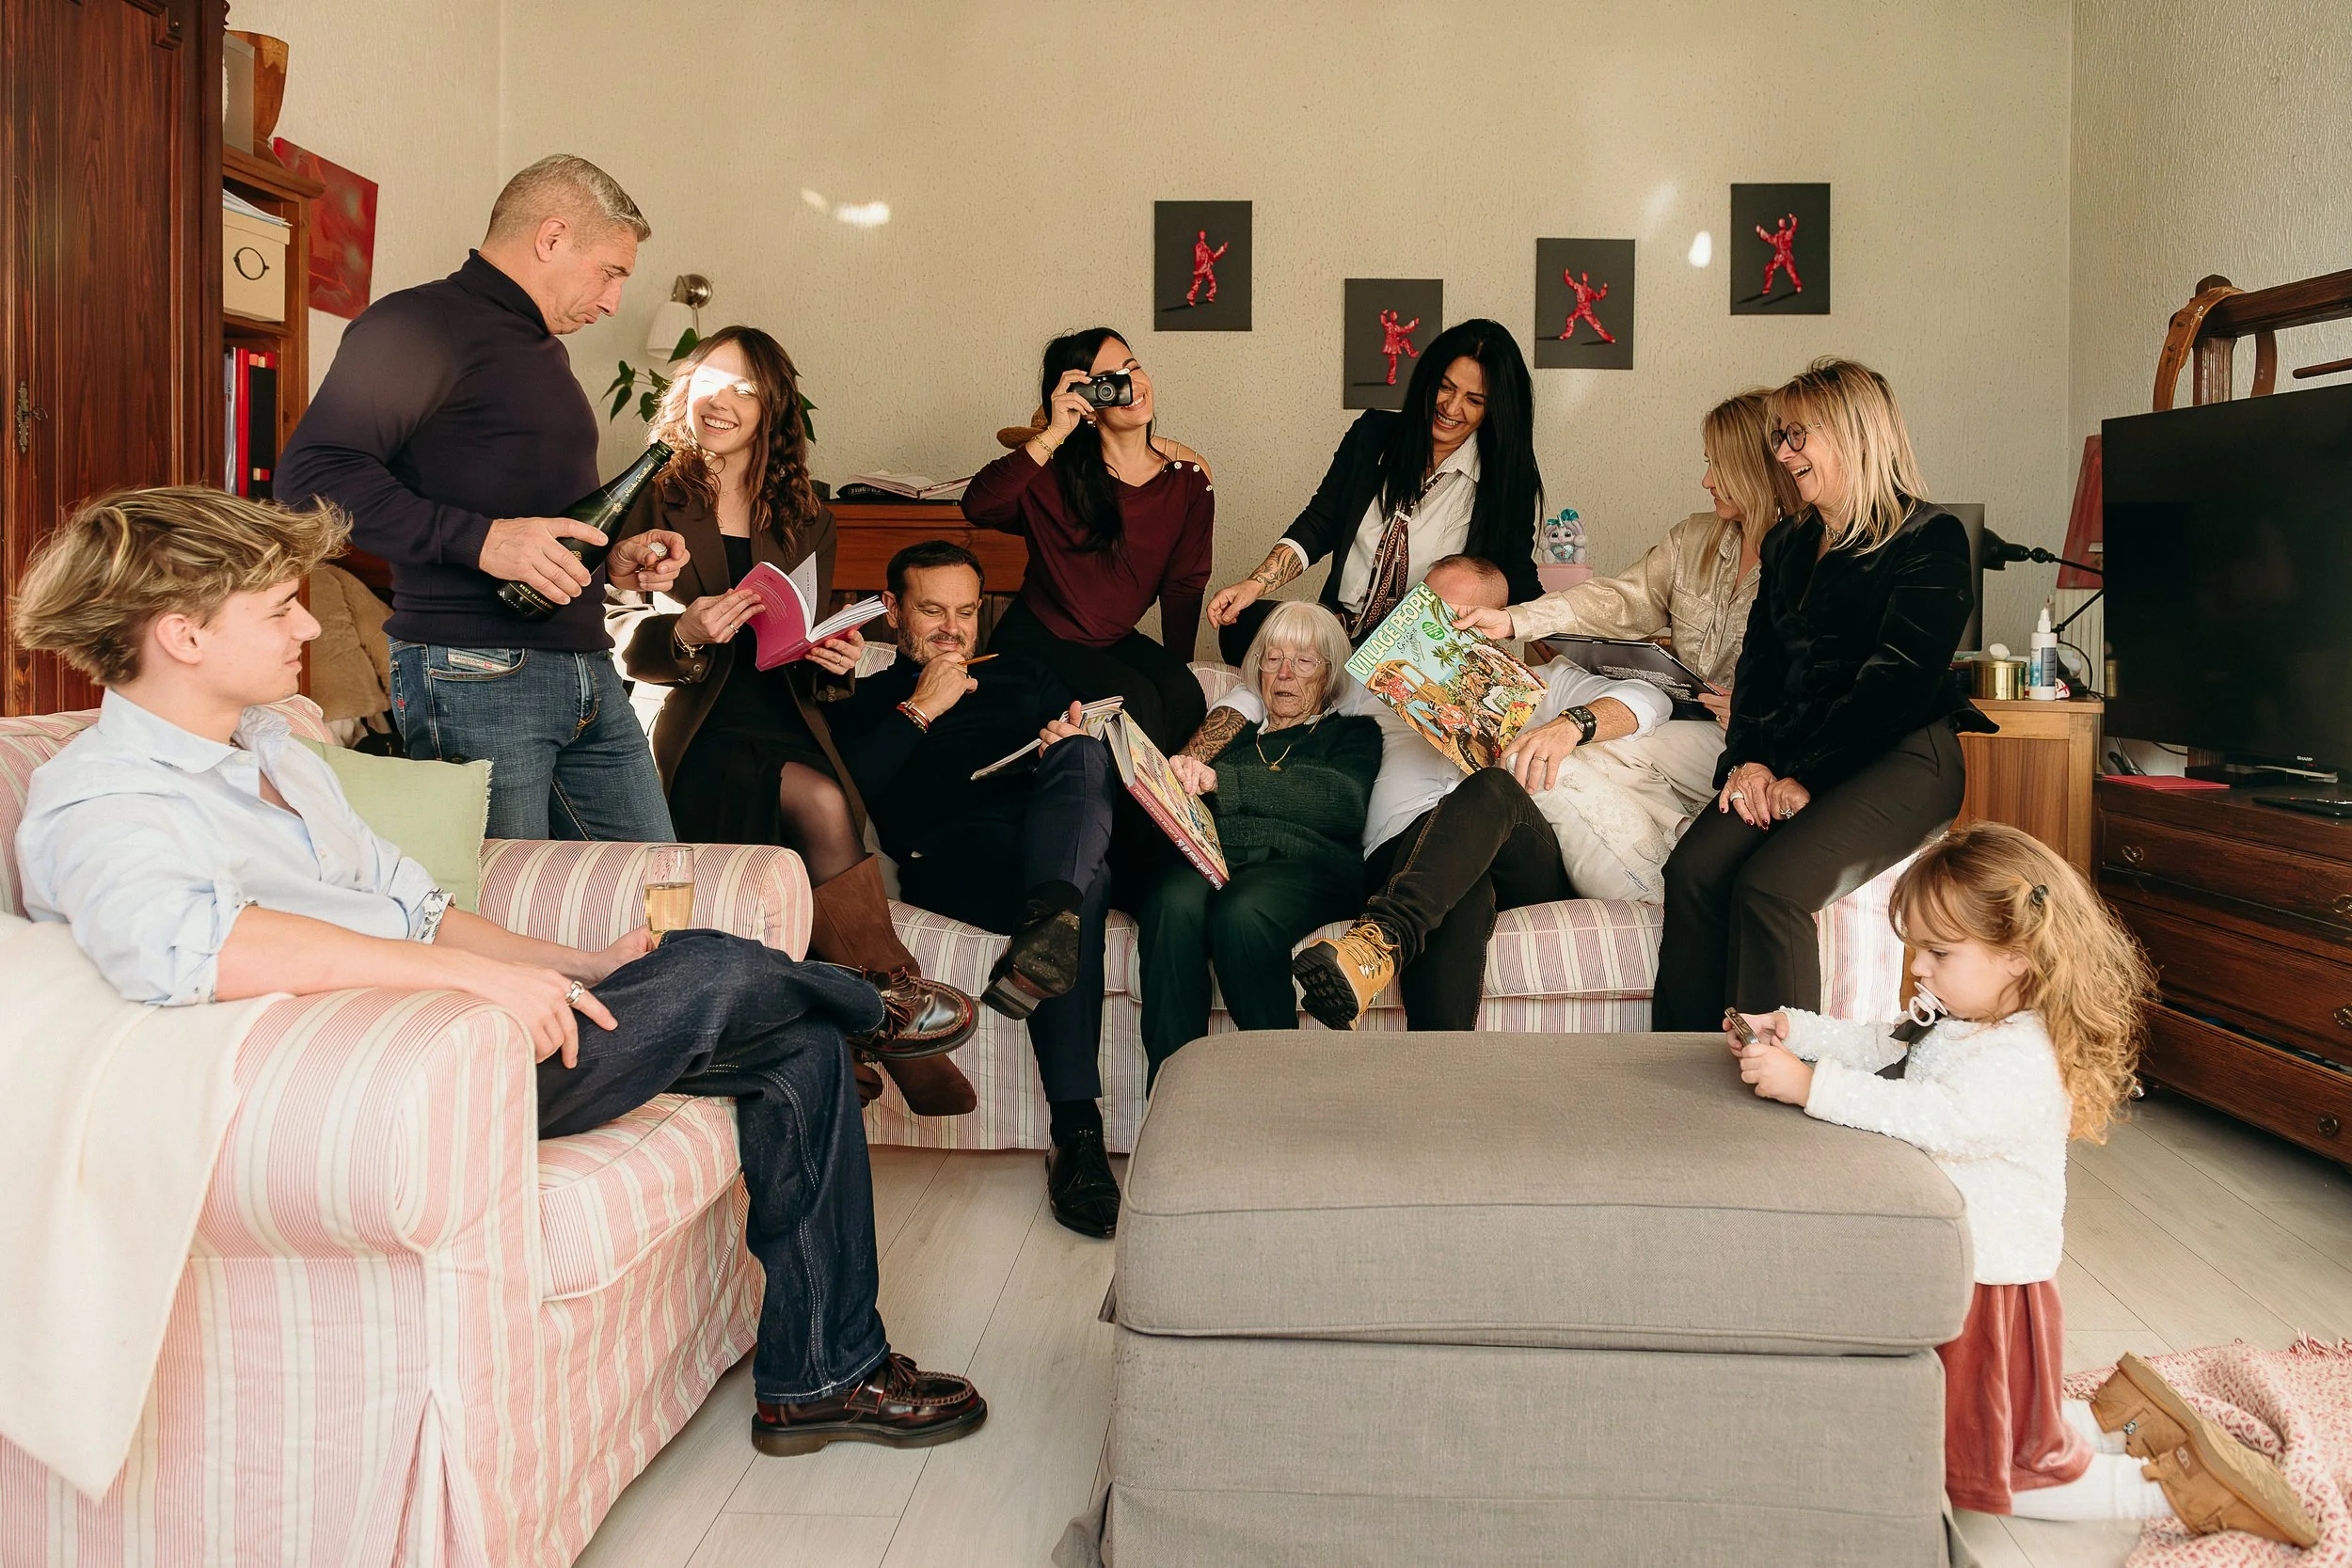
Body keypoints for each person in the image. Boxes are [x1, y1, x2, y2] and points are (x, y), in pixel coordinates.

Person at [9, 487, 986, 1460]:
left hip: (460, 1042)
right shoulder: (101, 800)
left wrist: (578, 962)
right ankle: (870, 1000)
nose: (309, 621)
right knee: (709, 977)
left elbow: (416, 906)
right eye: (277, 608)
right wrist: (475, 989)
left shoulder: (272, 749)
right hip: (387, 1079)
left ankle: (823, 1375)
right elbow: (203, 948)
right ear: (181, 635)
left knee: (789, 1037)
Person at [1726, 825, 2315, 1546]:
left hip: (1992, 1285)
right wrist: (1796, 1031)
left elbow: (1934, 1116)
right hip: (1971, 1270)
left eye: (1940, 952)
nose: (1920, 968)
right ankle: (2093, 1428)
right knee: (2003, 1419)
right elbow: (1880, 1045)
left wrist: (1812, 1087)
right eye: (1918, 948)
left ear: (2019, 955)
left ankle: (2170, 1493)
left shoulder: (2020, 1057)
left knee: (2010, 1467)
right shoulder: (1957, 1015)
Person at [603, 326, 977, 1105]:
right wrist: (686, 629)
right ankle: (893, 1012)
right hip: (693, 722)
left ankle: (859, 1035)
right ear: (686, 390)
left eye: (744, 387)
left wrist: (833, 659)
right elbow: (609, 632)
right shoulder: (651, 490)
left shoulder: (808, 513)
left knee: (817, 796)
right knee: (820, 800)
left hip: (785, 711)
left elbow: (805, 631)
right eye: (709, 379)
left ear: (773, 405)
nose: (722, 399)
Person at [278, 154, 686, 842]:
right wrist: (486, 541)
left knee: (653, 896)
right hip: (474, 673)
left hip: (585, 668)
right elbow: (311, 478)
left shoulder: (539, 349)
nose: (614, 301)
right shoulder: (419, 323)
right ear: (552, 238)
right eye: (611, 272)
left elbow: (525, 514)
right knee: (504, 919)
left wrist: (607, 562)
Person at [1653, 357, 1994, 1030]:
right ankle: (1684, 1070)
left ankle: (1787, 1075)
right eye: (1779, 438)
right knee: (1693, 869)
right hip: (1792, 754)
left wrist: (1807, 776)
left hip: (1904, 757)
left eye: (1797, 436)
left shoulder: (1930, 539)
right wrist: (1747, 762)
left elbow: (1894, 684)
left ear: (1854, 433)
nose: (1782, 453)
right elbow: (1758, 670)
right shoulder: (1788, 542)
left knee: (1771, 887)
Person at [824, 543, 1126, 1239]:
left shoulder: (1024, 674)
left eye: (965, 612)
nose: (953, 629)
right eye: (932, 611)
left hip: (1051, 841)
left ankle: (1047, 931)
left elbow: (1084, 760)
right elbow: (846, 798)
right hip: (959, 859)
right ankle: (1076, 1131)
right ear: (893, 611)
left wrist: (1062, 740)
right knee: (1087, 886)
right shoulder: (864, 698)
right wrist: (922, 707)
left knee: (1083, 752)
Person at [1286, 556, 1672, 1033]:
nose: (1420, 625)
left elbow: (1652, 699)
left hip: (1518, 861)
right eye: (1417, 607)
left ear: (1490, 629)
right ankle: (1443, 1079)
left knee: (1491, 784)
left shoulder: (1542, 687)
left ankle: (1383, 937)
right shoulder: (1368, 684)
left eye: (1444, 617)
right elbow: (1271, 688)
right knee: (1460, 890)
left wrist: (1569, 726)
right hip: (1400, 856)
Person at [1451, 389, 1801, 902]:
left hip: (1751, 745)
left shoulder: (1808, 553)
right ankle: (1680, 858)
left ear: (1755, 467)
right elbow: (1619, 599)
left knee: (1574, 756)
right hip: (1692, 730)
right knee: (1569, 754)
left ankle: (1660, 885)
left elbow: (1827, 671)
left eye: (1718, 465)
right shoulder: (1694, 539)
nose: (1706, 480)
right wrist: (1513, 620)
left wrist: (1764, 711)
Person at [1204, 318, 1543, 666]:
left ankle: (1343, 684)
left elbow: (1515, 572)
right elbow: (1320, 523)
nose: (1452, 408)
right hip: (1335, 633)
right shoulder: (1373, 435)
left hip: (1414, 654)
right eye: (1445, 387)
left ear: (1495, 410)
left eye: (1474, 399)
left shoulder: (1506, 480)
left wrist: (1563, 639)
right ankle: (1331, 673)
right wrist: (1254, 585)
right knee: (1242, 624)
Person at [1142, 603, 1380, 1080]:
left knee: (1242, 914)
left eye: (1304, 661)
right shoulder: (1233, 739)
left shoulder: (1351, 734)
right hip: (1221, 861)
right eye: (1273, 659)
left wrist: (1222, 785)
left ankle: (1279, 1087)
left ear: (1329, 673)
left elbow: (1341, 802)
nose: (1286, 673)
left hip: (1304, 867)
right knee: (1170, 901)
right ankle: (1172, 1088)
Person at [961, 327, 1212, 753]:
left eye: (1133, 368)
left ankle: (1174, 814)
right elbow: (978, 505)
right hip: (1038, 638)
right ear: (1087, 402)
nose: (1130, 384)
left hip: (1110, 640)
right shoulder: (1052, 472)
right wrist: (1057, 430)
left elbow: (1184, 585)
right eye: (1108, 380)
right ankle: (1139, 820)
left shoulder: (1187, 478)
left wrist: (1176, 665)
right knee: (1135, 703)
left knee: (1185, 695)